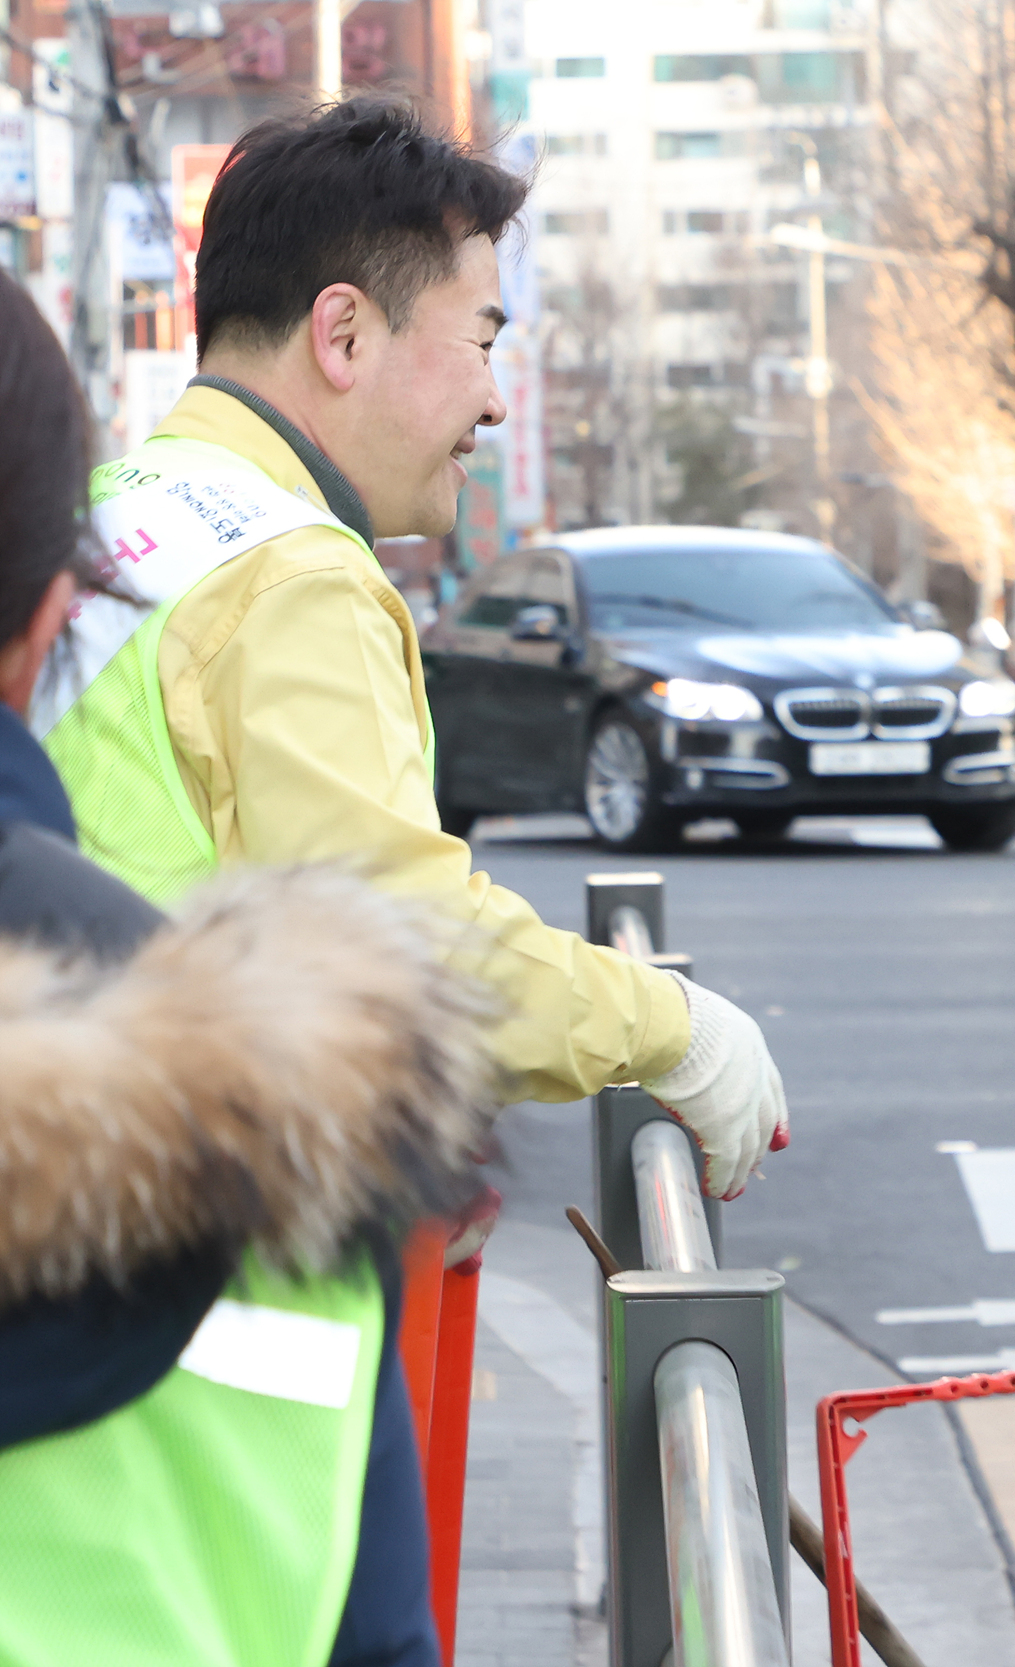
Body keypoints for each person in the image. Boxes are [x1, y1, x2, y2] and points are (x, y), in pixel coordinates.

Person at [38, 98, 785, 1206]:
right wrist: (674, 1030)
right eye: (482, 339)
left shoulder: (100, 522)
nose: (492, 399)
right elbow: (402, 948)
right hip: (171, 1241)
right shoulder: (290, 574)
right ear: (342, 334)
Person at [0, 264, 497, 1665]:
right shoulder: (298, 1104)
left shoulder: (196, 525)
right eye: (480, 335)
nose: (496, 393)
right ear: (51, 619)